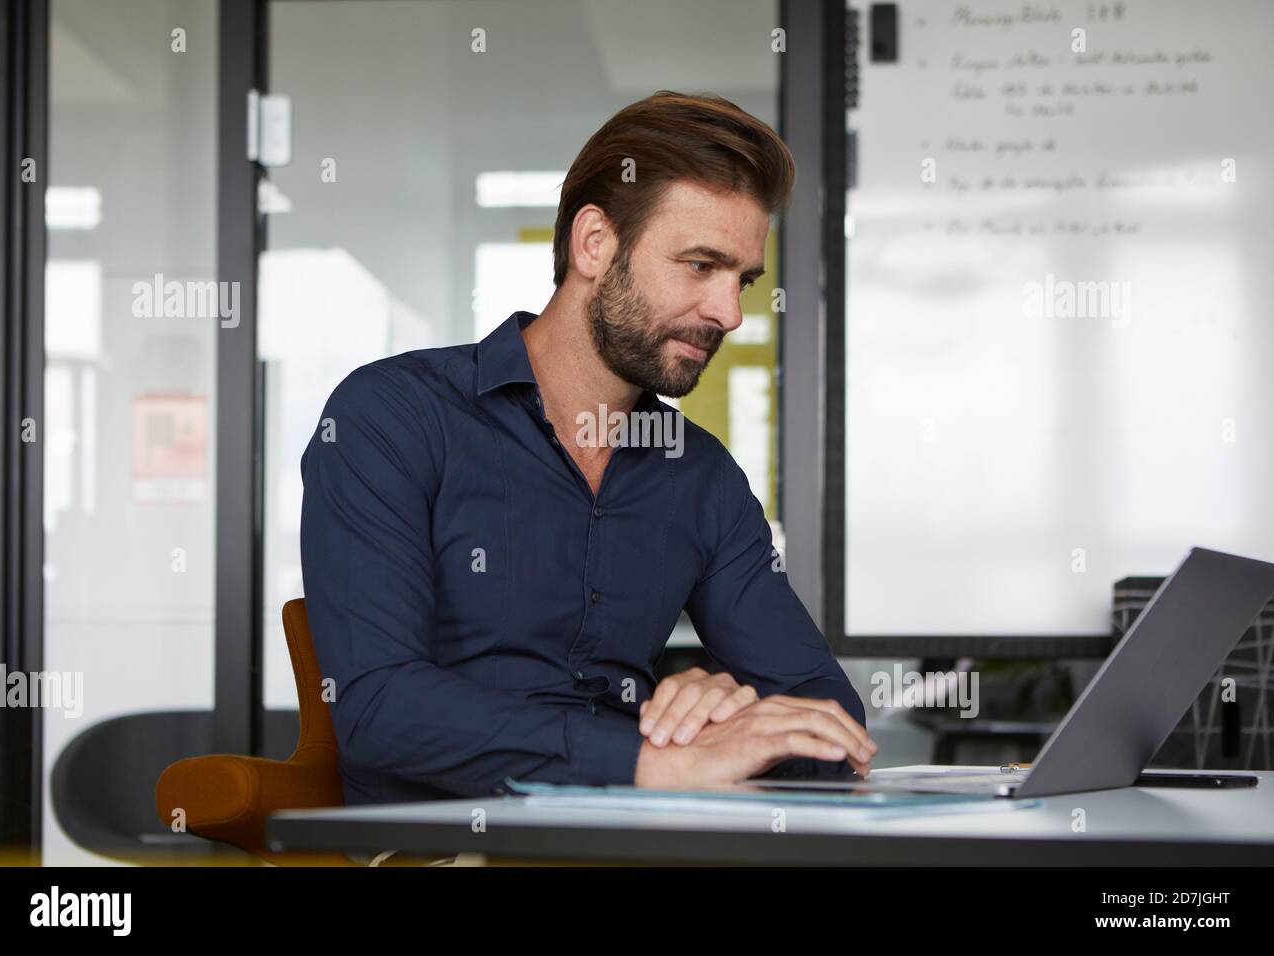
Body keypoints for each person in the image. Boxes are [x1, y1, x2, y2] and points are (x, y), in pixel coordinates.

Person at [300, 90, 877, 811]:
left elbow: (832, 720)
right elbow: (380, 710)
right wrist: (650, 763)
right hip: (442, 847)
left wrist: (733, 711)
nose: (729, 312)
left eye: (743, 280)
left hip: (637, 840)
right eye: (701, 266)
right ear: (594, 245)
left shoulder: (698, 475)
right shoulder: (393, 416)